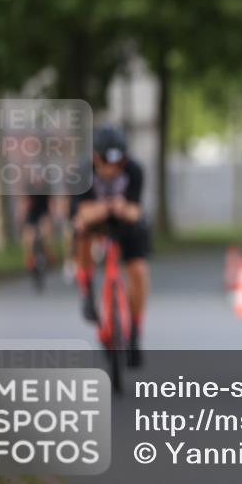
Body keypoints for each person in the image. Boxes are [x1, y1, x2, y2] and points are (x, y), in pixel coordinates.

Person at [72, 125, 152, 366]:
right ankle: (86, 290)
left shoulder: (134, 171)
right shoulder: (82, 173)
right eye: (108, 162)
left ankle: (135, 331)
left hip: (126, 224)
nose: (114, 169)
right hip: (96, 222)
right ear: (96, 157)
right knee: (80, 232)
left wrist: (122, 209)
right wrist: (105, 208)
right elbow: (82, 213)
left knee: (138, 270)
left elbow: (136, 211)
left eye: (119, 163)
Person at [20, 178, 55, 272]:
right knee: (29, 237)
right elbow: (23, 201)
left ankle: (49, 255)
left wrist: (52, 215)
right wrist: (22, 212)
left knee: (47, 231)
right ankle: (30, 259)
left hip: (43, 212)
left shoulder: (46, 187)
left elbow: (51, 202)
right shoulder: (28, 187)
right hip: (31, 214)